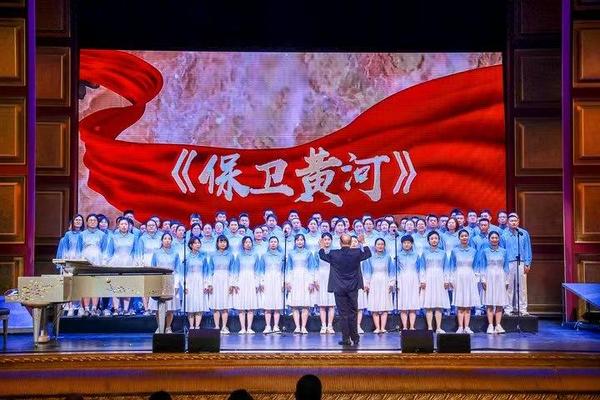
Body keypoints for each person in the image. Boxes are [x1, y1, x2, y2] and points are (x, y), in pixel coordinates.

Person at [318, 233, 372, 346]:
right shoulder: (356, 252)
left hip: (339, 287)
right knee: (353, 312)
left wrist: (322, 247)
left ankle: (346, 338)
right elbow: (368, 253)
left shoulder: (334, 253)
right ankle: (355, 338)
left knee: (343, 314)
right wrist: (362, 242)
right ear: (351, 242)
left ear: (340, 242)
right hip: (353, 287)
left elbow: (323, 256)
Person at [447, 229, 480, 334]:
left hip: (470, 276)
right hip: (458, 276)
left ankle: (467, 327)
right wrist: (451, 279)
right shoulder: (454, 251)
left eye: (466, 236)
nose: (464, 237)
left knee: (468, 304)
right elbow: (451, 265)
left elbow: (476, 266)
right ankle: (460, 327)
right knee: (460, 303)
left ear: (468, 237)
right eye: (462, 236)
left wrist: (477, 278)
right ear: (459, 238)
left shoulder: (473, 251)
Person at [476, 231, 509, 334]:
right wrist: (483, 279)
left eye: (496, 238)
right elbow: (482, 266)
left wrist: (507, 280)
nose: (494, 239)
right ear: (489, 239)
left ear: (499, 239)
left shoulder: (504, 251)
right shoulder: (485, 251)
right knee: (489, 302)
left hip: (500, 277)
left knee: (499, 302)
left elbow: (506, 267)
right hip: (489, 276)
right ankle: (490, 325)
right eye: (492, 238)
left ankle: (498, 325)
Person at [104, 216, 137, 315]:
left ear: (129, 226)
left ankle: (126, 309)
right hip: (116, 262)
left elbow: (135, 251)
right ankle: (116, 309)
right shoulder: (113, 237)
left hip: (129, 262)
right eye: (122, 224)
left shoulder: (133, 237)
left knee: (127, 285)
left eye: (125, 224)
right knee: (115, 285)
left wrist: (136, 262)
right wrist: (106, 262)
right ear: (118, 225)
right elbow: (109, 252)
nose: (124, 226)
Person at [501, 213, 532, 316]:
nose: (513, 222)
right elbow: (502, 251)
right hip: (508, 263)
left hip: (521, 262)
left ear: (518, 222)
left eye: (515, 220)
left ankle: (522, 309)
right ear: (508, 222)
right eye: (511, 221)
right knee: (508, 286)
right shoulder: (503, 234)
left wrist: (527, 263)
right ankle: (508, 309)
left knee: (522, 287)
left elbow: (527, 248)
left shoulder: (523, 233)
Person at [150, 232, 181, 333]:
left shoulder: (175, 253)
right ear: (162, 240)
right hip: (158, 280)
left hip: (171, 281)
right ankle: (160, 327)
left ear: (171, 241)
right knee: (157, 307)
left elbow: (178, 270)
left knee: (170, 307)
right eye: (165, 238)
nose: (167, 241)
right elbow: (153, 268)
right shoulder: (156, 253)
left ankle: (168, 327)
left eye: (169, 239)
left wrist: (176, 284)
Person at [418, 231, 450, 333]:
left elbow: (446, 268)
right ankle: (430, 327)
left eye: (436, 238)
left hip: (440, 278)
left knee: (438, 305)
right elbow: (422, 268)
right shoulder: (424, 253)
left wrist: (446, 280)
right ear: (428, 241)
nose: (434, 240)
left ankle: (439, 327)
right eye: (432, 238)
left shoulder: (443, 253)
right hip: (428, 278)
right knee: (429, 305)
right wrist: (422, 280)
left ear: (439, 240)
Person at [286, 234, 317, 334]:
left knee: (305, 304)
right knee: (294, 305)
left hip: (305, 278)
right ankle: (297, 327)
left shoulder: (308, 253)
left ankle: (303, 327)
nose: (300, 242)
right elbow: (288, 268)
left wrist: (312, 281)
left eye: (302, 240)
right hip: (294, 278)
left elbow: (312, 268)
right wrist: (288, 281)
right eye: (298, 240)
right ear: (295, 242)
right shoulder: (291, 253)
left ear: (304, 241)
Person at [207, 235, 236, 334]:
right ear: (217, 243)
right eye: (221, 241)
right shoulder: (213, 255)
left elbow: (233, 271)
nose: (222, 243)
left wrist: (232, 283)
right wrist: (209, 283)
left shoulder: (230, 255)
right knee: (216, 305)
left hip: (226, 280)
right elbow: (210, 270)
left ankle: (224, 326)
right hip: (215, 280)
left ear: (227, 243)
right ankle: (216, 326)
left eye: (224, 242)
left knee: (225, 305)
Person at [363, 238, 394, 334]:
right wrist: (367, 283)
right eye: (378, 244)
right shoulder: (370, 257)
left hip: (385, 280)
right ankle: (377, 327)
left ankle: (383, 328)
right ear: (375, 246)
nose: (380, 246)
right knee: (375, 304)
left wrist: (392, 282)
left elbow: (391, 271)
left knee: (385, 304)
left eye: (382, 244)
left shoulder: (388, 257)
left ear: (384, 246)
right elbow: (368, 271)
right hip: (374, 281)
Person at [56, 214, 84, 316]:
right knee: (69, 285)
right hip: (69, 262)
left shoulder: (84, 234)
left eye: (80, 220)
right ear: (72, 222)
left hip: (81, 262)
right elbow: (64, 249)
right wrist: (63, 264)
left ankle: (80, 307)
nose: (78, 221)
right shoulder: (68, 235)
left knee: (81, 285)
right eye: (76, 220)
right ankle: (70, 307)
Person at [231, 236, 261, 334]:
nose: (248, 244)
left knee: (251, 305)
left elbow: (257, 270)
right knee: (241, 306)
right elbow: (235, 270)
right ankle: (243, 328)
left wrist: (257, 282)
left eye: (249, 242)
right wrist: (235, 283)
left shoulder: (255, 255)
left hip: (252, 280)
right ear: (243, 244)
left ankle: (249, 328)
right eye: (246, 242)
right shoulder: (238, 256)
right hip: (241, 280)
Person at [135, 218, 162, 315]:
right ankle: (146, 308)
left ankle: (155, 308)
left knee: (156, 286)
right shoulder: (142, 238)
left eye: (153, 225)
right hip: (146, 263)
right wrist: (140, 264)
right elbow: (139, 252)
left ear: (157, 227)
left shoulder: (161, 237)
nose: (151, 227)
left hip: (158, 264)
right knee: (146, 287)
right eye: (149, 225)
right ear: (146, 227)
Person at [395, 235, 421, 330]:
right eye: (404, 243)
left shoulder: (416, 255)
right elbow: (396, 270)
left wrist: (420, 281)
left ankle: (412, 326)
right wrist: (396, 281)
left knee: (413, 303)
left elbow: (419, 269)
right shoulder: (398, 256)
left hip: (414, 279)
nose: (406, 244)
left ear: (412, 244)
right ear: (402, 244)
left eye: (408, 243)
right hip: (402, 279)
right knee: (403, 304)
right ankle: (405, 327)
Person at [260, 236, 284, 333]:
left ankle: (276, 326)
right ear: (269, 243)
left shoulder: (281, 256)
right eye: (271, 242)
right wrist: (261, 282)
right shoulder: (264, 256)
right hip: (267, 280)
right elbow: (261, 270)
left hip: (278, 280)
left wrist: (283, 282)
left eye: (275, 242)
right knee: (268, 304)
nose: (273, 243)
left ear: (278, 244)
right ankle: (268, 326)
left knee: (277, 304)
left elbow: (283, 270)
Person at [185, 237, 209, 329]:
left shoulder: (203, 257)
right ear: (191, 245)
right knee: (190, 304)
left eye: (199, 243)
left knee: (199, 304)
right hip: (190, 281)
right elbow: (183, 272)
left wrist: (206, 284)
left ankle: (197, 326)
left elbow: (206, 271)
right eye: (195, 243)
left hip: (200, 281)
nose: (197, 244)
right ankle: (191, 326)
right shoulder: (186, 257)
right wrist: (185, 285)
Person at [315, 233, 335, 334]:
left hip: (332, 277)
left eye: (328, 239)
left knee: (331, 304)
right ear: (321, 241)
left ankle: (330, 326)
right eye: (325, 239)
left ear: (331, 241)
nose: (326, 241)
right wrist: (315, 279)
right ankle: (323, 325)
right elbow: (315, 266)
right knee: (322, 304)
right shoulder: (317, 252)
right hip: (321, 277)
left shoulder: (335, 252)